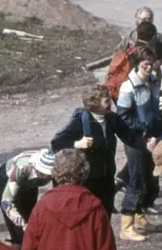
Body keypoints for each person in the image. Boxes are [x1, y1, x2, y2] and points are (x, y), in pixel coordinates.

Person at [50, 84, 145, 226]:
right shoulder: (80, 120)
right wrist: (77, 144)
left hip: (107, 177)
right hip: (87, 179)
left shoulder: (111, 118)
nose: (110, 103)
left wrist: (148, 144)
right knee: (87, 217)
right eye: (106, 100)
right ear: (94, 104)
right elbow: (56, 143)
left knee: (105, 215)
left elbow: (129, 136)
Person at [116, 47, 162, 235]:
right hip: (135, 140)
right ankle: (126, 226)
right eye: (145, 65)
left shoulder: (153, 80)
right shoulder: (128, 86)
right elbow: (123, 116)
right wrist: (143, 129)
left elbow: (154, 106)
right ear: (137, 64)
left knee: (151, 179)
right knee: (136, 181)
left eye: (152, 64)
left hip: (152, 137)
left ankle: (140, 216)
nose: (149, 68)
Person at [0, 147, 57, 245]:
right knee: (18, 231)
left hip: (31, 183)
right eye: (42, 173)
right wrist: (23, 224)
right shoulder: (22, 169)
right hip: (7, 178)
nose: (45, 177)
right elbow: (6, 202)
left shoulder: (57, 168)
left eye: (48, 175)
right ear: (36, 167)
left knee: (31, 216)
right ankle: (18, 247)